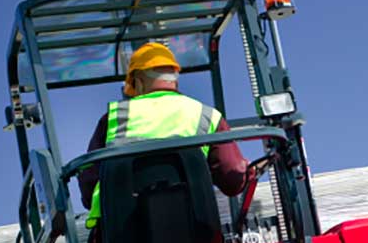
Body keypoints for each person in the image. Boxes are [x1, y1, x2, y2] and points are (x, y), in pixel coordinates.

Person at [79, 42, 249, 229]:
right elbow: (233, 181)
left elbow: (89, 188)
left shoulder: (113, 118)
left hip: (122, 242)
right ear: (174, 79)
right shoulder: (207, 116)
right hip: (198, 234)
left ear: (138, 81)